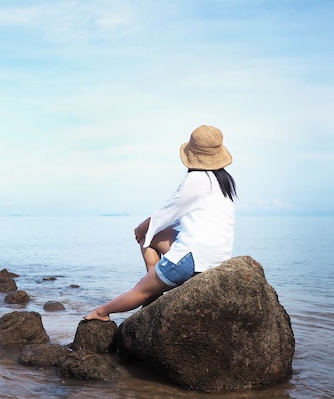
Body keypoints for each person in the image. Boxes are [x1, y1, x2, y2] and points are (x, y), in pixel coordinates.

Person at [84, 124, 237, 321]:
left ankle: (101, 312)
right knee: (152, 235)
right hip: (216, 258)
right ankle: (156, 279)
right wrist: (148, 230)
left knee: (141, 289)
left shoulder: (195, 179)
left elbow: (166, 212)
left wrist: (140, 228)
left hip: (193, 259)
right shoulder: (223, 180)